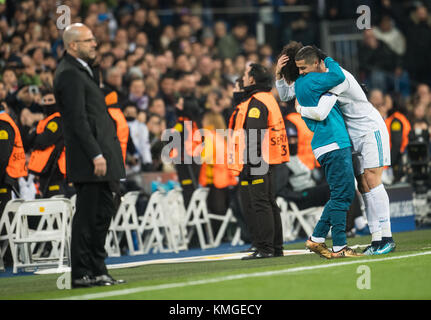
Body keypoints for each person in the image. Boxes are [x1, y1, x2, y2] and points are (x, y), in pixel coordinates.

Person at [294, 47, 396, 255]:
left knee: (373, 179)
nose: (301, 73)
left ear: (316, 63)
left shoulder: (337, 77)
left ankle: (387, 237)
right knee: (363, 185)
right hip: (352, 136)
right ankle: (376, 238)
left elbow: (321, 112)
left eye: (304, 68)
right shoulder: (323, 78)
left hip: (369, 130)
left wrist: (300, 109)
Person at [53, 23, 126, 288]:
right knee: (88, 218)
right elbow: (77, 120)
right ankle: (82, 273)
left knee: (101, 216)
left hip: (102, 156)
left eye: (94, 39)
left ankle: (98, 270)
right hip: (90, 159)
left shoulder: (83, 71)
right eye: (88, 41)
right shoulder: (69, 74)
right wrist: (95, 153)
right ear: (73, 45)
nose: (95, 44)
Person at [275, 43, 362, 258]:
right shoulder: (313, 80)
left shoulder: (301, 84)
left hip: (323, 145)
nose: (302, 71)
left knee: (340, 194)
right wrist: (327, 58)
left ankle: (317, 238)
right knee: (343, 195)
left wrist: (278, 75)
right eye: (301, 68)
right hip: (334, 141)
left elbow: (285, 95)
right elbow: (339, 77)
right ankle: (338, 245)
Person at [228, 63, 289, 259]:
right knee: (268, 202)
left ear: (252, 79)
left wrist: (250, 162)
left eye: (245, 75)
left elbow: (254, 135)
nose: (243, 78)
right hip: (268, 158)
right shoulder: (267, 98)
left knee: (261, 203)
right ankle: (275, 247)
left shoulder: (257, 103)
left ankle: (266, 248)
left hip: (259, 160)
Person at [27, 89, 66, 198]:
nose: (48, 103)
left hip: (55, 170)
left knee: (56, 205)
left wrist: (35, 135)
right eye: (45, 100)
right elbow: (28, 141)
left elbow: (43, 141)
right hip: (44, 170)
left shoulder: (57, 120)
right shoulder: (43, 122)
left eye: (50, 100)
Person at [0, 101, 27, 217]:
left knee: (4, 224)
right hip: (5, 178)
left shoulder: (3, 124)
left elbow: (2, 156)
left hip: (4, 179)